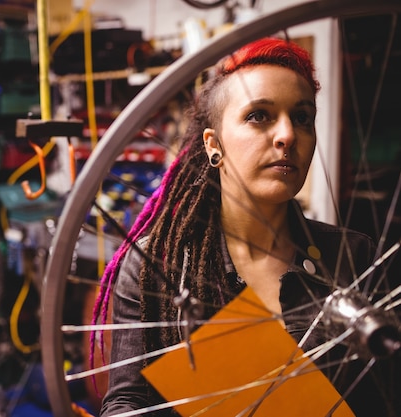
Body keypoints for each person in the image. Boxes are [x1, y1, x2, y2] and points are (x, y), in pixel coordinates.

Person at [91, 37, 398, 416]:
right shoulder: (155, 267)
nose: (287, 135)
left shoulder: (355, 255)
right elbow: (125, 404)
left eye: (302, 118)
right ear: (213, 144)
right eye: (259, 116)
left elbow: (382, 396)